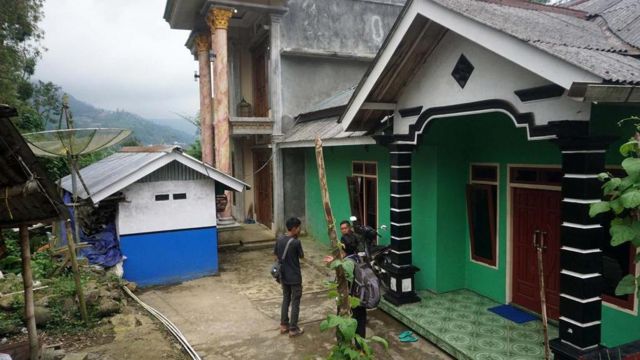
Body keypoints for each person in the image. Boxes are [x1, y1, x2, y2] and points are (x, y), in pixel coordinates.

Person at [325, 220, 367, 340]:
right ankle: (360, 347)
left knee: (344, 317)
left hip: (349, 296)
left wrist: (332, 262)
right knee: (360, 321)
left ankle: (342, 340)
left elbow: (339, 272)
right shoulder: (360, 260)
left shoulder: (346, 264)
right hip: (360, 296)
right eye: (341, 228)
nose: (343, 230)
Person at [274, 217, 305, 337]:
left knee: (286, 298)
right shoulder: (296, 242)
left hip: (283, 276)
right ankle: (293, 328)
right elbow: (301, 256)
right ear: (294, 229)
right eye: (299, 228)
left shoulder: (280, 239)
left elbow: (275, 256)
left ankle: (283, 325)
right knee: (295, 302)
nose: (300, 230)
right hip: (295, 277)